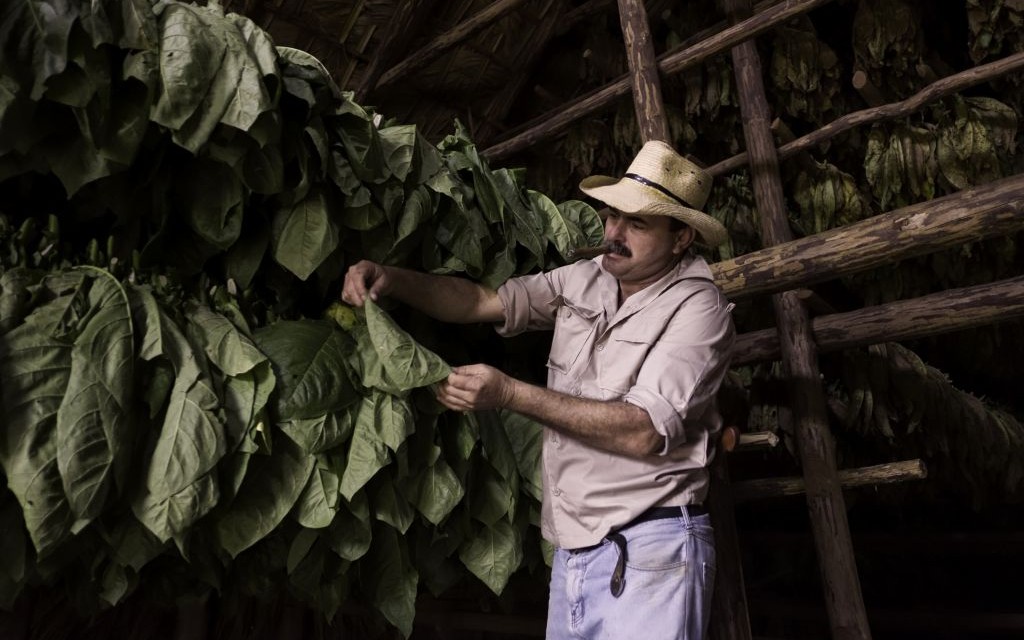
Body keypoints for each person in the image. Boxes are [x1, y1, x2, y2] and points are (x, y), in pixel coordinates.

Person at [341, 140, 735, 640]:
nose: (613, 233)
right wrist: (392, 279)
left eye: (637, 224)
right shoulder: (584, 279)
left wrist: (509, 394)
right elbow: (483, 302)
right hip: (575, 552)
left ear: (681, 239)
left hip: (651, 549)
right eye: (612, 216)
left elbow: (643, 432)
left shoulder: (699, 310)